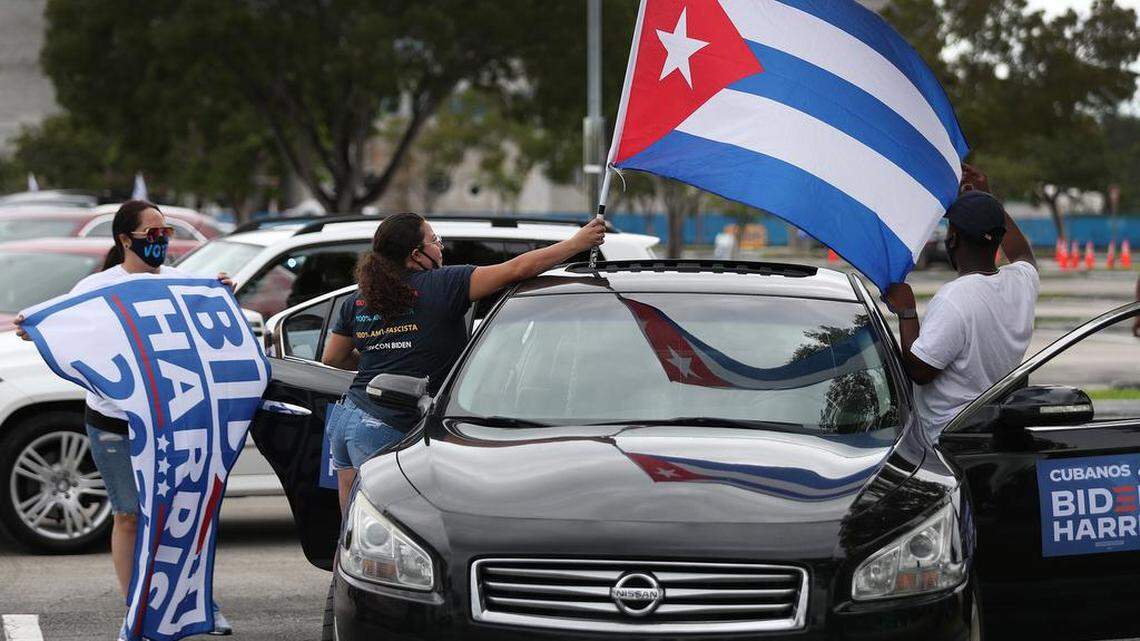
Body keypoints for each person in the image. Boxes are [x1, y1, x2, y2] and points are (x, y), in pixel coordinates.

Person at [15, 200, 235, 639]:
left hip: (169, 423)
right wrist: (35, 326)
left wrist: (220, 292)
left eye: (165, 232)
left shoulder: (181, 283)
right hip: (113, 423)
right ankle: (135, 607)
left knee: (178, 515)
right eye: (151, 233)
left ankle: (196, 603)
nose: (161, 241)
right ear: (124, 239)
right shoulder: (97, 287)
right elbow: (58, 322)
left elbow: (211, 316)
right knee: (129, 515)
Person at [321, 212, 605, 508]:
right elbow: (519, 268)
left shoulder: (357, 299)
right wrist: (576, 243)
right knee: (395, 521)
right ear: (416, 255)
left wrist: (382, 360)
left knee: (354, 525)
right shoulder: (446, 284)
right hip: (387, 424)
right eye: (435, 240)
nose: (440, 247)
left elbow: (333, 357)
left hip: (346, 417)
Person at [883, 165, 1039, 439]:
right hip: (992, 430)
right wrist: (987, 200)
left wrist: (907, 312)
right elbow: (1021, 251)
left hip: (948, 438)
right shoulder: (1022, 283)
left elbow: (920, 370)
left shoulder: (956, 298)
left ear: (952, 240)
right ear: (999, 237)